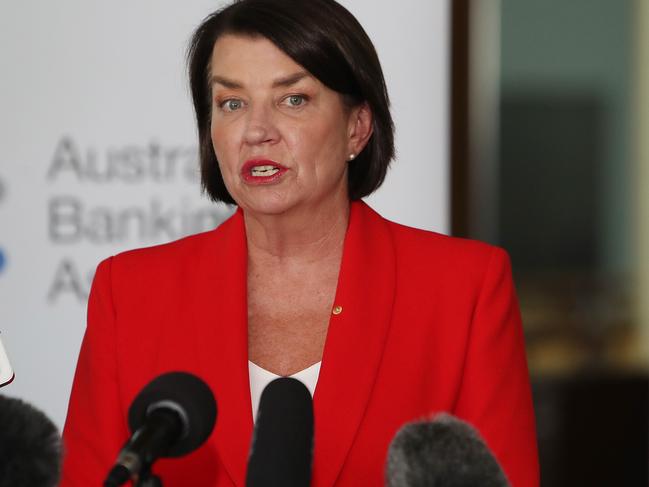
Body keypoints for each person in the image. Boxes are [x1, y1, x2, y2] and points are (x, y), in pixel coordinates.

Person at [60, 0, 539, 485]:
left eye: (293, 99)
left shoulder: (465, 290)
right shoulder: (130, 292)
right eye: (232, 103)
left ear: (357, 127)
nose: (256, 131)